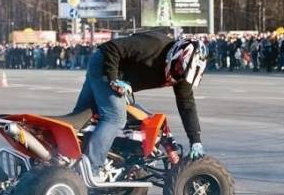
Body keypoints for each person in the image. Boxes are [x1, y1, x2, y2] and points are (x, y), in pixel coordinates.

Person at [72, 32, 207, 181]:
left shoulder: (182, 75)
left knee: (80, 118)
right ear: (176, 55)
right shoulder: (154, 45)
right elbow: (111, 48)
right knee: (115, 117)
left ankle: (67, 160)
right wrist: (113, 79)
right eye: (180, 69)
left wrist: (196, 140)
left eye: (184, 74)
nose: (180, 75)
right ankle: (91, 169)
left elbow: (187, 105)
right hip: (104, 63)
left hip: (120, 79)